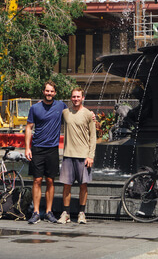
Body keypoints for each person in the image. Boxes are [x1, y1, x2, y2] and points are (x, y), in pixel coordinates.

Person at [25, 81, 67, 224]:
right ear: (43, 92)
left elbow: (74, 112)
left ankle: (49, 212)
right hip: (37, 148)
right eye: (47, 91)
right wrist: (27, 148)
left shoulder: (61, 106)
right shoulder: (35, 108)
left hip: (52, 149)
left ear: (55, 93)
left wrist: (91, 114)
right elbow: (29, 127)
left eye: (52, 91)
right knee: (37, 180)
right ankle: (36, 212)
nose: (49, 93)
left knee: (50, 180)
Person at [58, 87, 96, 224]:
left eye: (78, 97)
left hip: (83, 156)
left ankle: (81, 213)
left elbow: (93, 136)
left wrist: (90, 155)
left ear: (83, 98)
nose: (75, 99)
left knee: (83, 186)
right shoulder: (65, 112)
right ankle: (66, 213)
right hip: (68, 155)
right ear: (71, 98)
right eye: (73, 97)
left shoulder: (88, 114)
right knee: (66, 186)